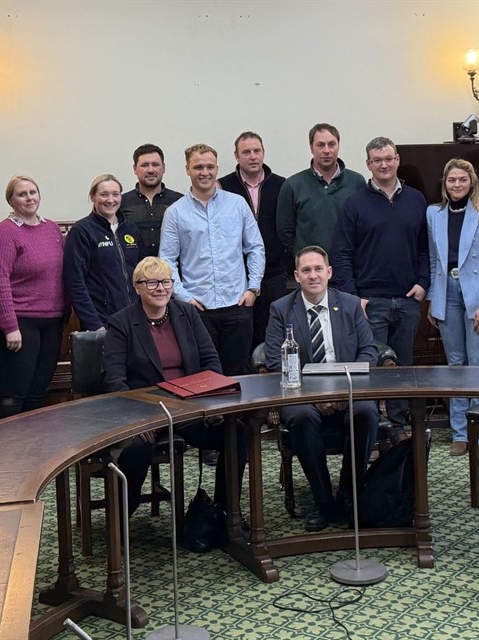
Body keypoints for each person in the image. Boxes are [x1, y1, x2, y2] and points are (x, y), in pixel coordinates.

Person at [103, 257, 247, 525]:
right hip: (145, 411)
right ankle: (121, 518)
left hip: (189, 405)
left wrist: (213, 400)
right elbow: (114, 379)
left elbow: (210, 359)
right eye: (152, 282)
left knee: (236, 432)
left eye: (166, 281)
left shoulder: (186, 314)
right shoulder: (121, 322)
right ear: (137, 287)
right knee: (136, 449)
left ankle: (226, 513)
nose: (161, 288)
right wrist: (133, 419)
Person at [264, 246, 379, 531]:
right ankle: (323, 501)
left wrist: (342, 393)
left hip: (348, 393)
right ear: (297, 276)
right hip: (302, 397)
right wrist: (315, 398)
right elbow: (273, 360)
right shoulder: (281, 309)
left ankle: (349, 496)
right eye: (306, 270)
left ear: (329, 272)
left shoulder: (350, 304)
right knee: (301, 416)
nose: (313, 275)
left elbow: (369, 352)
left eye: (318, 269)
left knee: (366, 411)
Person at [331, 136, 429, 435]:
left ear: (397, 159)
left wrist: (423, 283)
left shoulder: (416, 199)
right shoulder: (355, 203)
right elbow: (342, 253)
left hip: (407, 300)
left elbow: (425, 248)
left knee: (402, 370)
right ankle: (371, 431)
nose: (384, 164)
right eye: (377, 160)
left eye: (388, 158)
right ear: (368, 164)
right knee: (370, 369)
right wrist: (352, 296)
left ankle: (398, 430)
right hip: (369, 303)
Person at [160, 143, 265, 376]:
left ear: (217, 168)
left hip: (237, 303)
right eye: (198, 167)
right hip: (197, 308)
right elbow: (166, 259)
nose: (204, 172)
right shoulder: (175, 213)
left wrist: (253, 288)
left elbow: (256, 247)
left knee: (239, 373)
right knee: (204, 374)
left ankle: (238, 415)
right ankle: (212, 415)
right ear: (187, 169)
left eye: (209, 166)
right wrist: (183, 296)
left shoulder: (237, 204)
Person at [425, 159, 479, 457]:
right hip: (448, 294)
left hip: (478, 297)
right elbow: (434, 262)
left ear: (472, 182)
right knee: (455, 365)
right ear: (444, 183)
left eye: (462, 179)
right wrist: (434, 298)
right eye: (451, 180)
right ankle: (460, 432)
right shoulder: (434, 213)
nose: (457, 184)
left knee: (478, 365)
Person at [0, 175, 66, 419]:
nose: (29, 198)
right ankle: (10, 452)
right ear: (11, 200)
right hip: (20, 322)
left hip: (52, 320)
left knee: (39, 391)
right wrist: (10, 326)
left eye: (33, 192)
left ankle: (34, 452)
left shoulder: (51, 228)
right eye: (22, 194)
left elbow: (60, 274)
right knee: (15, 393)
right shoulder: (3, 233)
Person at [218, 131, 289, 349]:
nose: (252, 156)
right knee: (242, 335)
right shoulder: (222, 187)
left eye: (256, 151)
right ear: (236, 156)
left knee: (274, 332)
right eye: (246, 152)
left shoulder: (282, 185)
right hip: (238, 275)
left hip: (275, 273)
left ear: (263, 153)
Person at [276, 123, 366, 260]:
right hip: (310, 271)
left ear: (338, 146)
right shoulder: (292, 185)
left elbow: (364, 226)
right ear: (311, 147)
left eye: (331, 144)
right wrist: (303, 256)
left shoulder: (357, 182)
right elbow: (285, 232)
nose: (327, 150)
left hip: (349, 267)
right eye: (320, 145)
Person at [63, 174, 139, 331]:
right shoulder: (82, 231)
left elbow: (142, 274)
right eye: (104, 194)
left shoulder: (131, 229)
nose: (110, 200)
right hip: (102, 322)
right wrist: (94, 324)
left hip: (135, 319)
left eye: (115, 194)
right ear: (92, 196)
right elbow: (75, 282)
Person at [119, 143, 183, 258]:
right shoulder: (121, 203)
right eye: (144, 165)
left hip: (170, 273)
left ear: (163, 168)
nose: (150, 170)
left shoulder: (179, 201)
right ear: (135, 169)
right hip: (133, 273)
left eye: (155, 165)